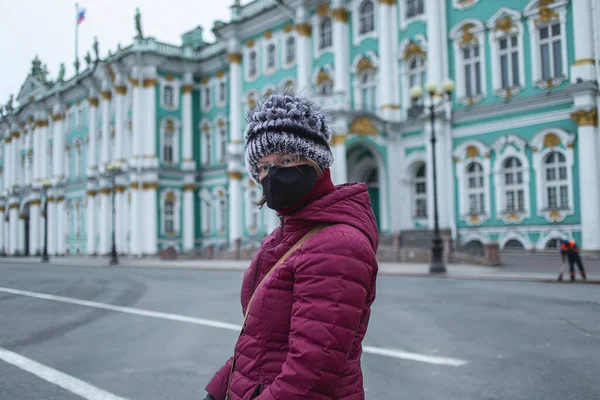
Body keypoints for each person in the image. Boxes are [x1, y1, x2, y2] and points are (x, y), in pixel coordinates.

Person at [203, 92, 379, 400]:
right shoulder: (285, 238)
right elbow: (259, 345)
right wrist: (219, 391)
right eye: (263, 166)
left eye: (285, 160)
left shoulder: (337, 245)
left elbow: (310, 374)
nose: (273, 175)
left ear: (316, 161)